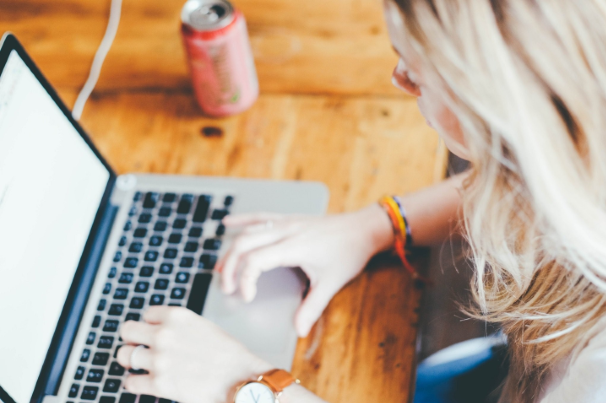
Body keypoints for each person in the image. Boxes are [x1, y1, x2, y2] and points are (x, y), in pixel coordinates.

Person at [115, 0, 606, 402]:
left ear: (494, 112)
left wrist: (244, 384)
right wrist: (379, 225)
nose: (399, 80)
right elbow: (529, 181)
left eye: (416, 74)